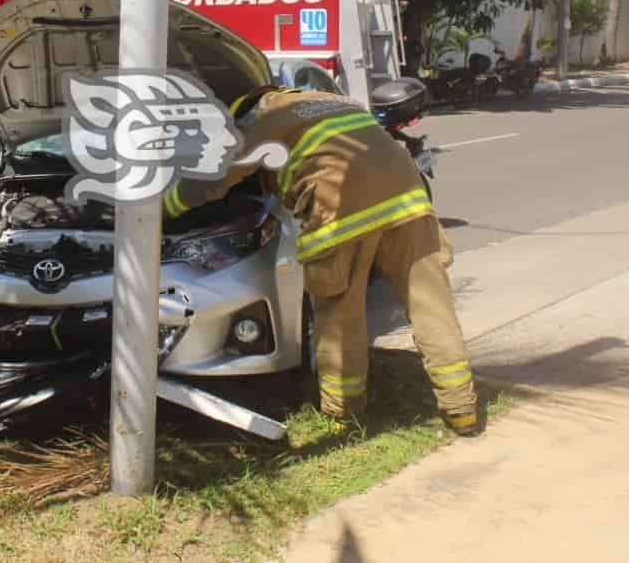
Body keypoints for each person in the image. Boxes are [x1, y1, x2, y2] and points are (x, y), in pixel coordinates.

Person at [163, 86, 481, 435]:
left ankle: (344, 415)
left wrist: (163, 208)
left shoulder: (264, 119)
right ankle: (461, 409)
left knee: (339, 316)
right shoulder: (337, 100)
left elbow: (220, 175)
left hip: (342, 212)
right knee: (432, 307)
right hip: (409, 205)